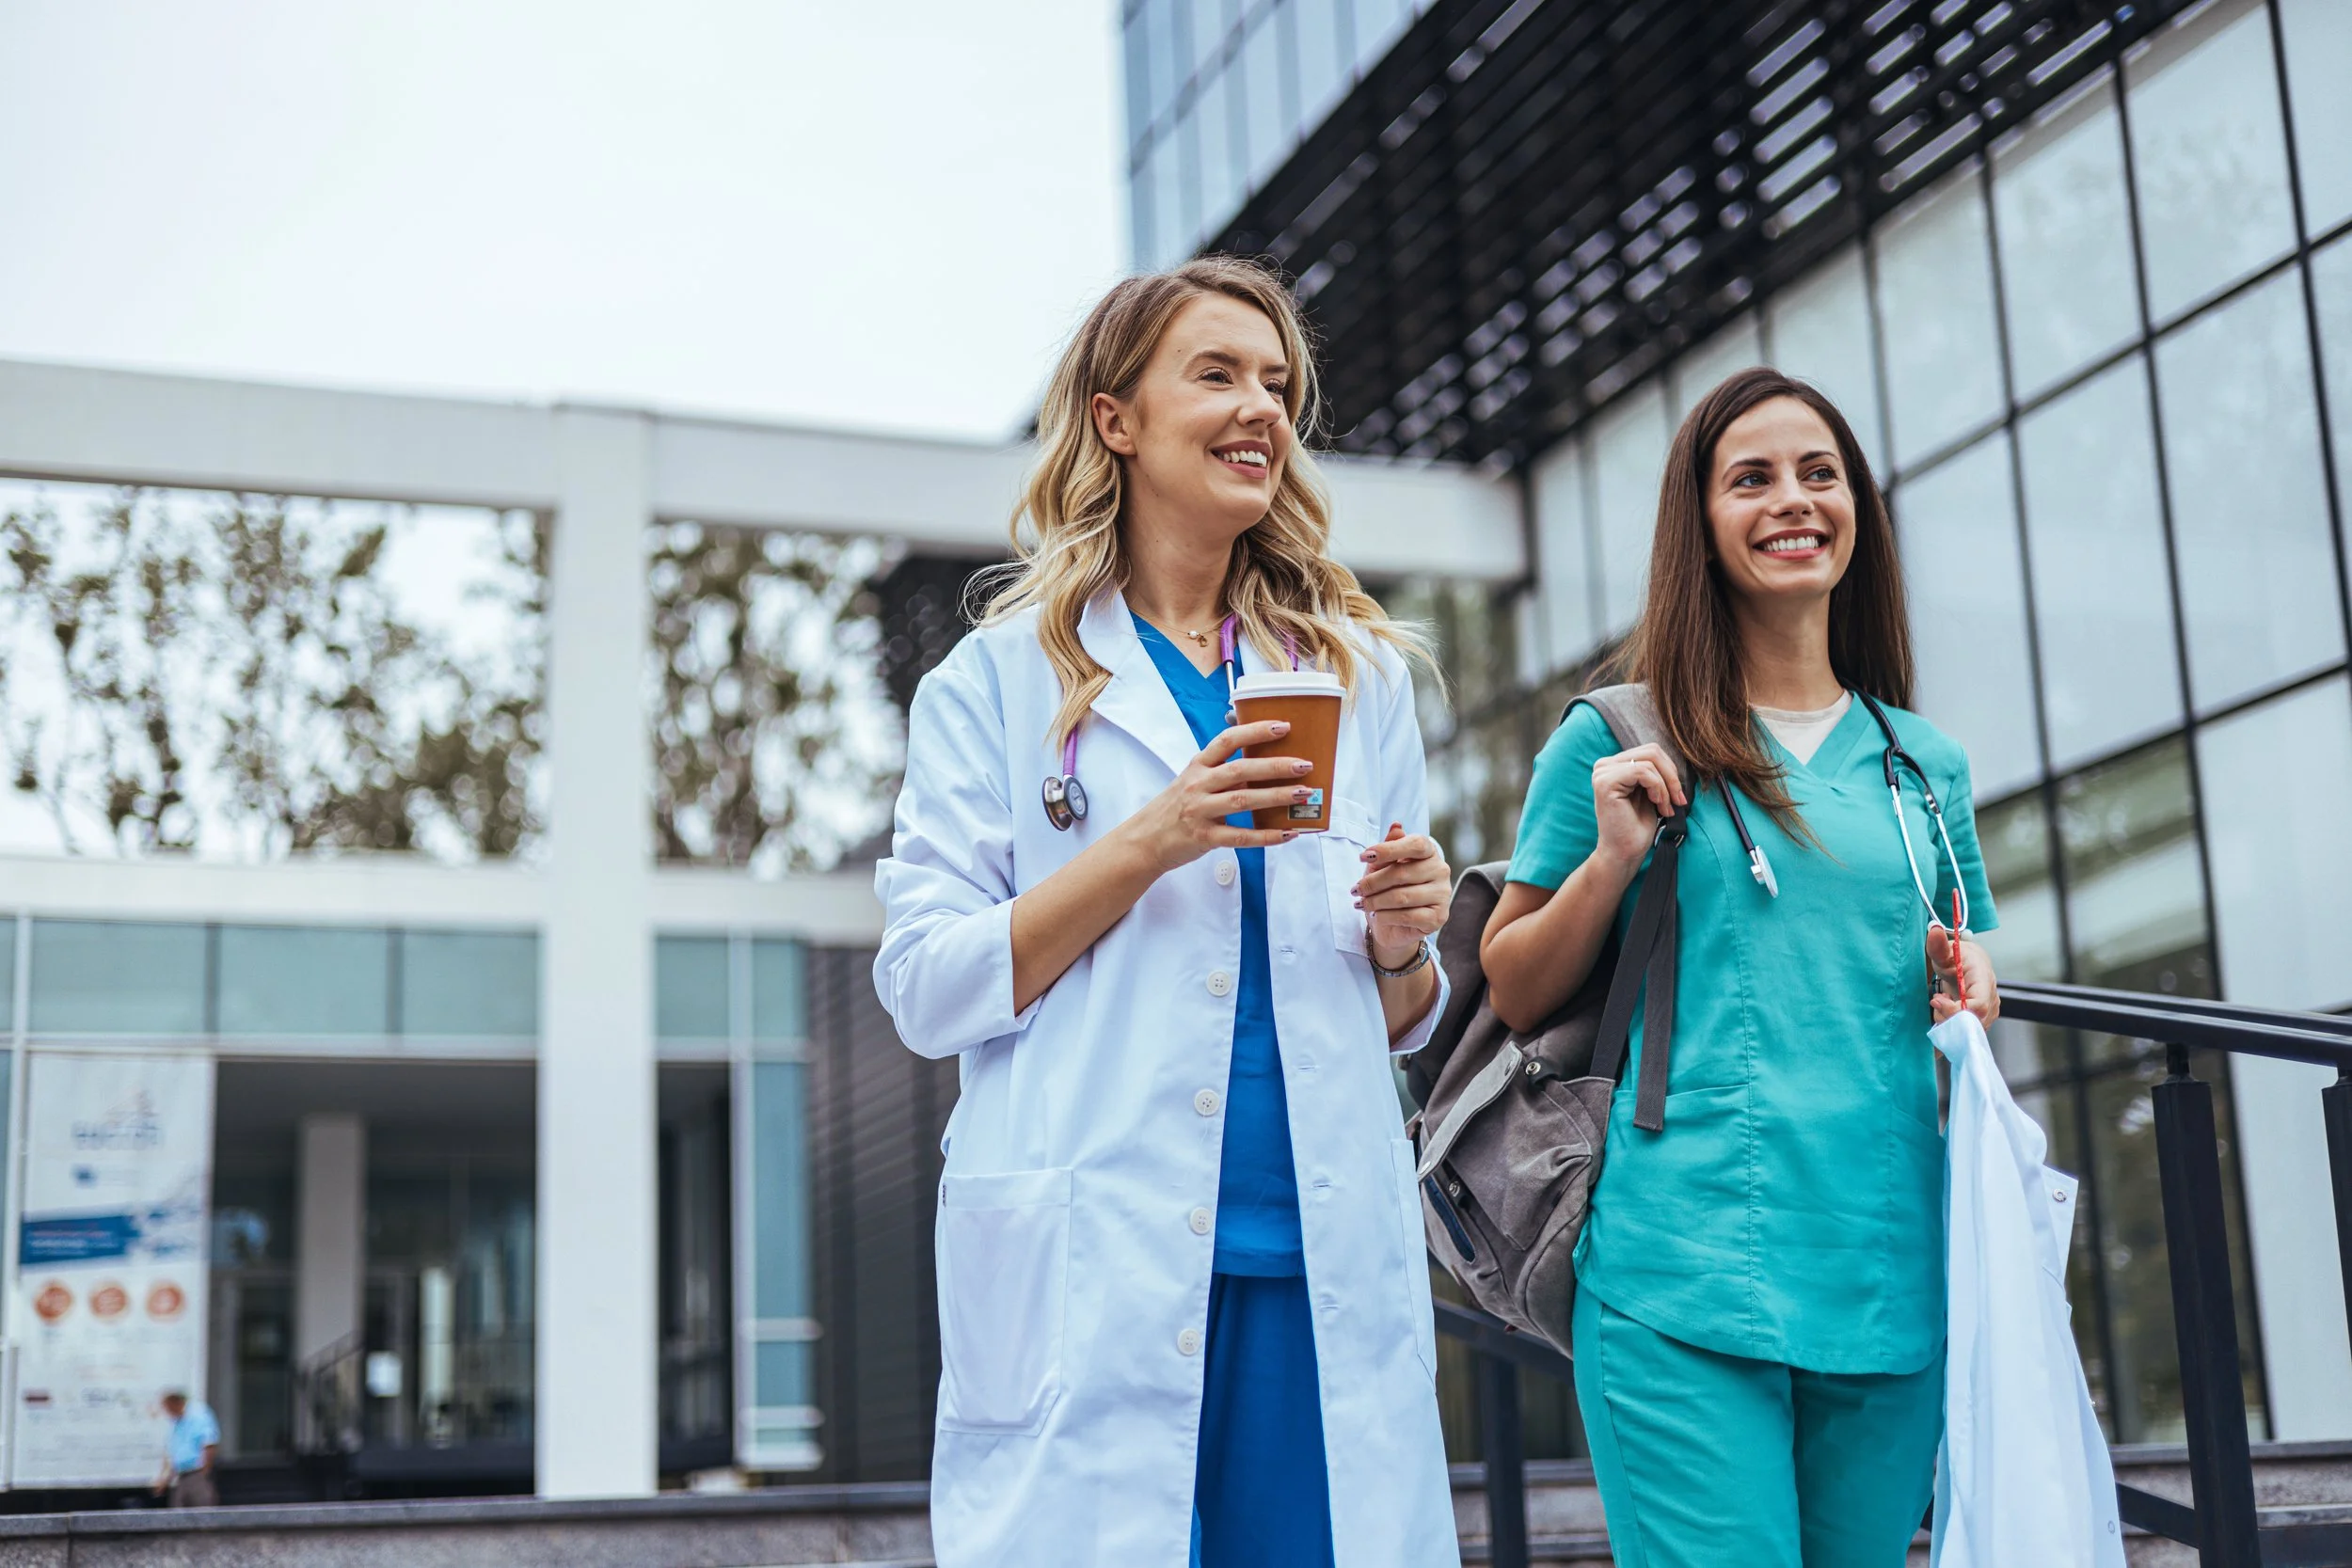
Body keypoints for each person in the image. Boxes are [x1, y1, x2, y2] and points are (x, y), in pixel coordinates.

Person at [874, 257, 1459, 1568]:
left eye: (1276, 383)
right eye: (1218, 374)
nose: (1260, 406)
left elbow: (1402, 1017)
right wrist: (1155, 835)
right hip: (1096, 1265)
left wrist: (1405, 937)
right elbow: (924, 984)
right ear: (1114, 417)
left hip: (1315, 1261)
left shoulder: (1353, 676)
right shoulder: (997, 683)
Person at [1479, 367, 2000, 1568]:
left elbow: (1969, 952)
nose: (1792, 500)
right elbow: (1510, 983)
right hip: (1681, 1267)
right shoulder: (1616, 735)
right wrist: (1610, 858)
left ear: (1856, 508)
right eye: (1751, 478)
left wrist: (1975, 980)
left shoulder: (1920, 763)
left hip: (1886, 1267)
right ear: (1699, 523)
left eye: (1819, 473)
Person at [153, 1389, 220, 1507]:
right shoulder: (175, 1423)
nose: (167, 1412)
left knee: (202, 1509)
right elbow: (172, 1453)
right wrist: (165, 1478)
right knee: (178, 1512)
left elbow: (209, 1443)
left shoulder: (198, 1416)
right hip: (181, 1475)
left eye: (168, 1408)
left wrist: (204, 1472)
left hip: (196, 1473)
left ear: (176, 1403)